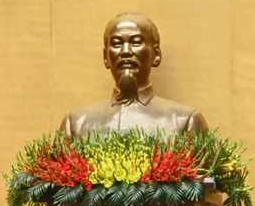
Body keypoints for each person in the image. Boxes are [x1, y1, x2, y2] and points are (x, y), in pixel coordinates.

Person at [59, 12, 209, 137]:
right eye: (117, 43)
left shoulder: (184, 122)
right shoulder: (76, 124)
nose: (125, 52)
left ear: (156, 55)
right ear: (106, 57)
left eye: (136, 42)